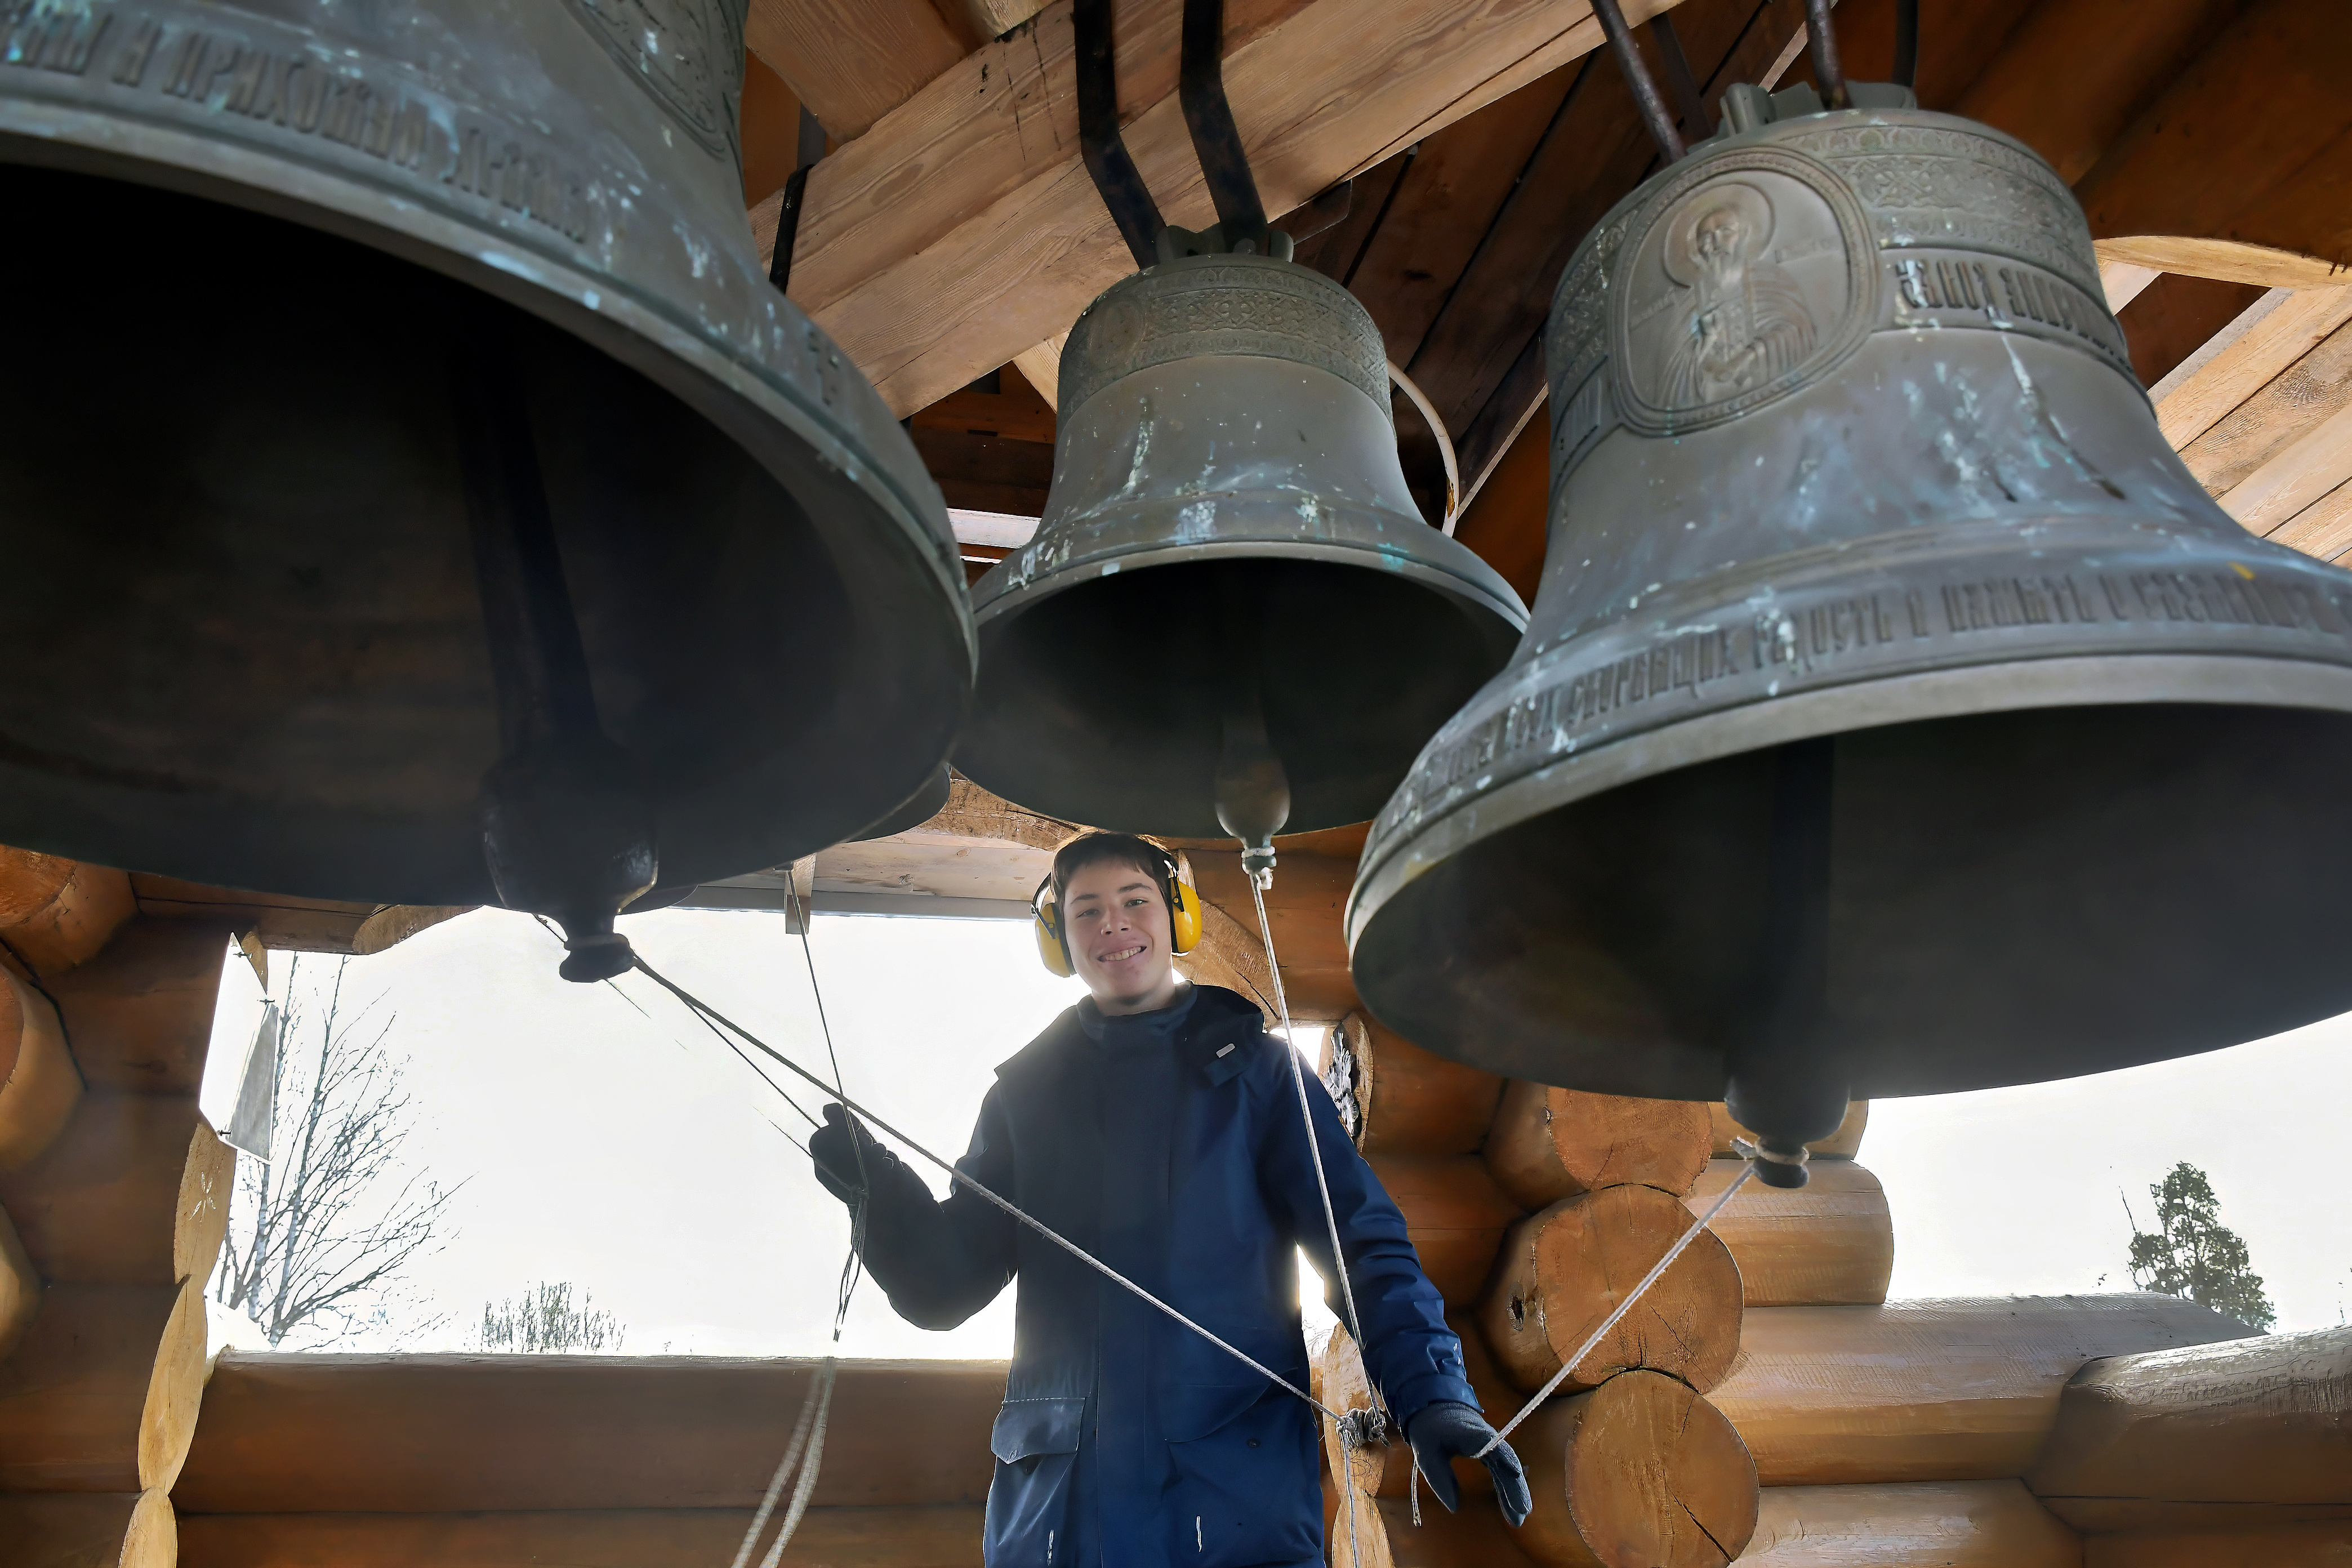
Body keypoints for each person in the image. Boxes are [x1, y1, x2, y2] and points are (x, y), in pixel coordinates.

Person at [810, 830, 1530, 1568]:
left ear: (1177, 917)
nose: (1113, 925)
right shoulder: (1023, 1099)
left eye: (1135, 902)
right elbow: (946, 1288)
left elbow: (1361, 1246)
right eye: (1087, 911)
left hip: (1231, 1519)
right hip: (1058, 1531)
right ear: (1060, 941)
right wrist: (881, 1194)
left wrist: (1433, 1394)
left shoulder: (1261, 1076)